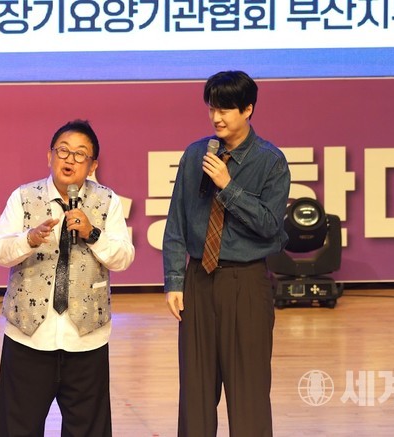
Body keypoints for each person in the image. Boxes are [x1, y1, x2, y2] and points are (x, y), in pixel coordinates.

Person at [162, 71, 291, 436]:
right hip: (198, 280)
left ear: (247, 109)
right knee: (195, 393)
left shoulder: (270, 161)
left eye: (225, 110)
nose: (216, 118)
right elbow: (177, 222)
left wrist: (228, 186)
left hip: (246, 281)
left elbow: (270, 226)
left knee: (248, 391)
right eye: (212, 109)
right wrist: (174, 280)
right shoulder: (196, 155)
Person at [0, 119, 135, 436]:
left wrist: (92, 233)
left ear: (93, 165)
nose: (70, 160)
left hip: (86, 338)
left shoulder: (107, 201)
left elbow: (124, 257)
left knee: (87, 430)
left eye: (80, 154)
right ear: (49, 156)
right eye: (63, 151)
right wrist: (28, 239)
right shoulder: (23, 197)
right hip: (29, 337)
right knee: (17, 428)